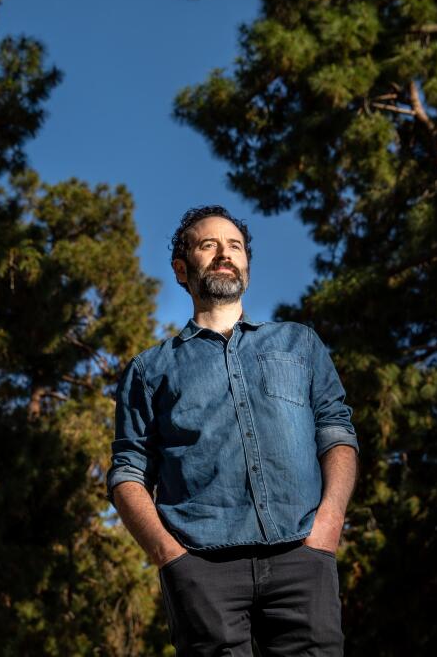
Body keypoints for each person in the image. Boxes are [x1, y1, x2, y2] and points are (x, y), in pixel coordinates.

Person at [108, 205, 358, 656]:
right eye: (209, 245)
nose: (225, 253)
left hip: (303, 555)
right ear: (182, 270)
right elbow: (128, 474)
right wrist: (169, 556)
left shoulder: (299, 343)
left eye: (235, 246)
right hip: (201, 570)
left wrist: (329, 527)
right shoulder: (150, 370)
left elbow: (336, 435)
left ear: (245, 263)